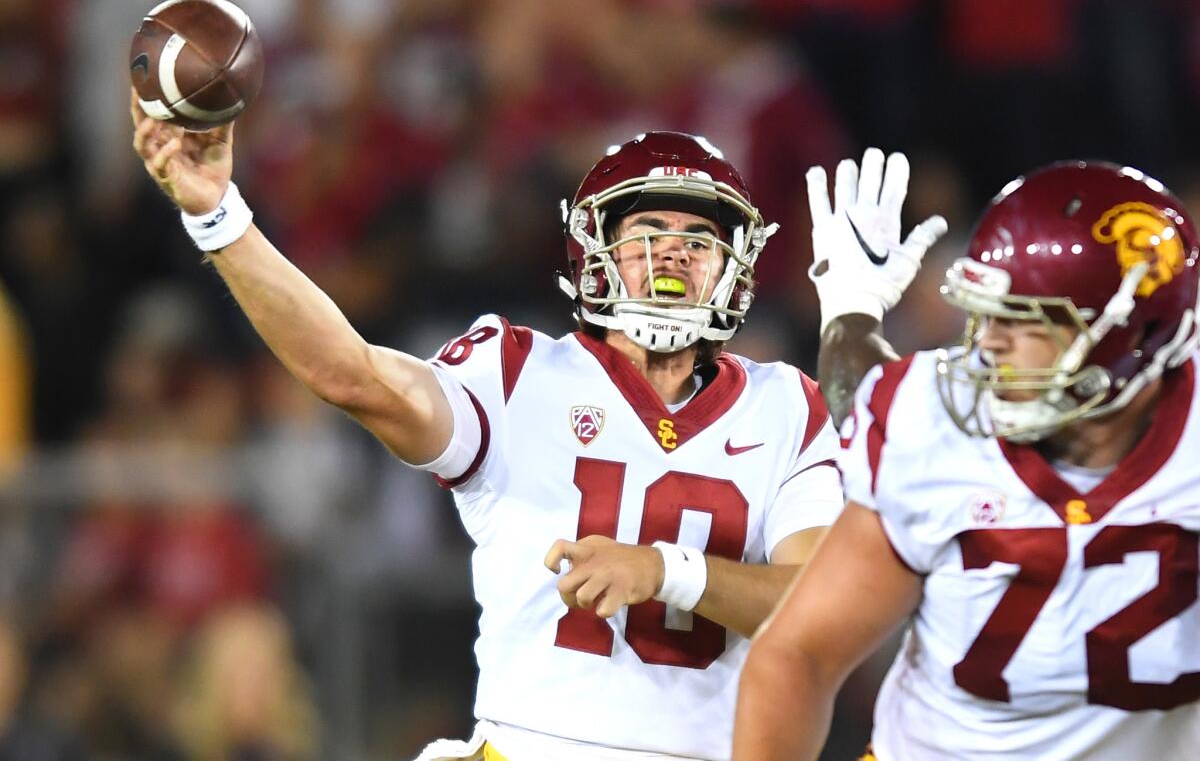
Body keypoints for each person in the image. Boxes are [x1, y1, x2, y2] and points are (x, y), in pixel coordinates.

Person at [130, 87, 845, 761]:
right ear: (595, 246)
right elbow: (353, 376)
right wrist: (220, 216)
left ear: (736, 262)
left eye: (699, 237)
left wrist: (666, 569)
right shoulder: (516, 371)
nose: (674, 255)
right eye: (648, 230)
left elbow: (820, 608)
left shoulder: (785, 403)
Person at [733, 149, 1200, 759]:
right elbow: (800, 654)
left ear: (1133, 334)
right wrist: (848, 317)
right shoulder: (932, 418)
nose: (988, 348)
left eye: (1026, 322)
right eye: (985, 318)